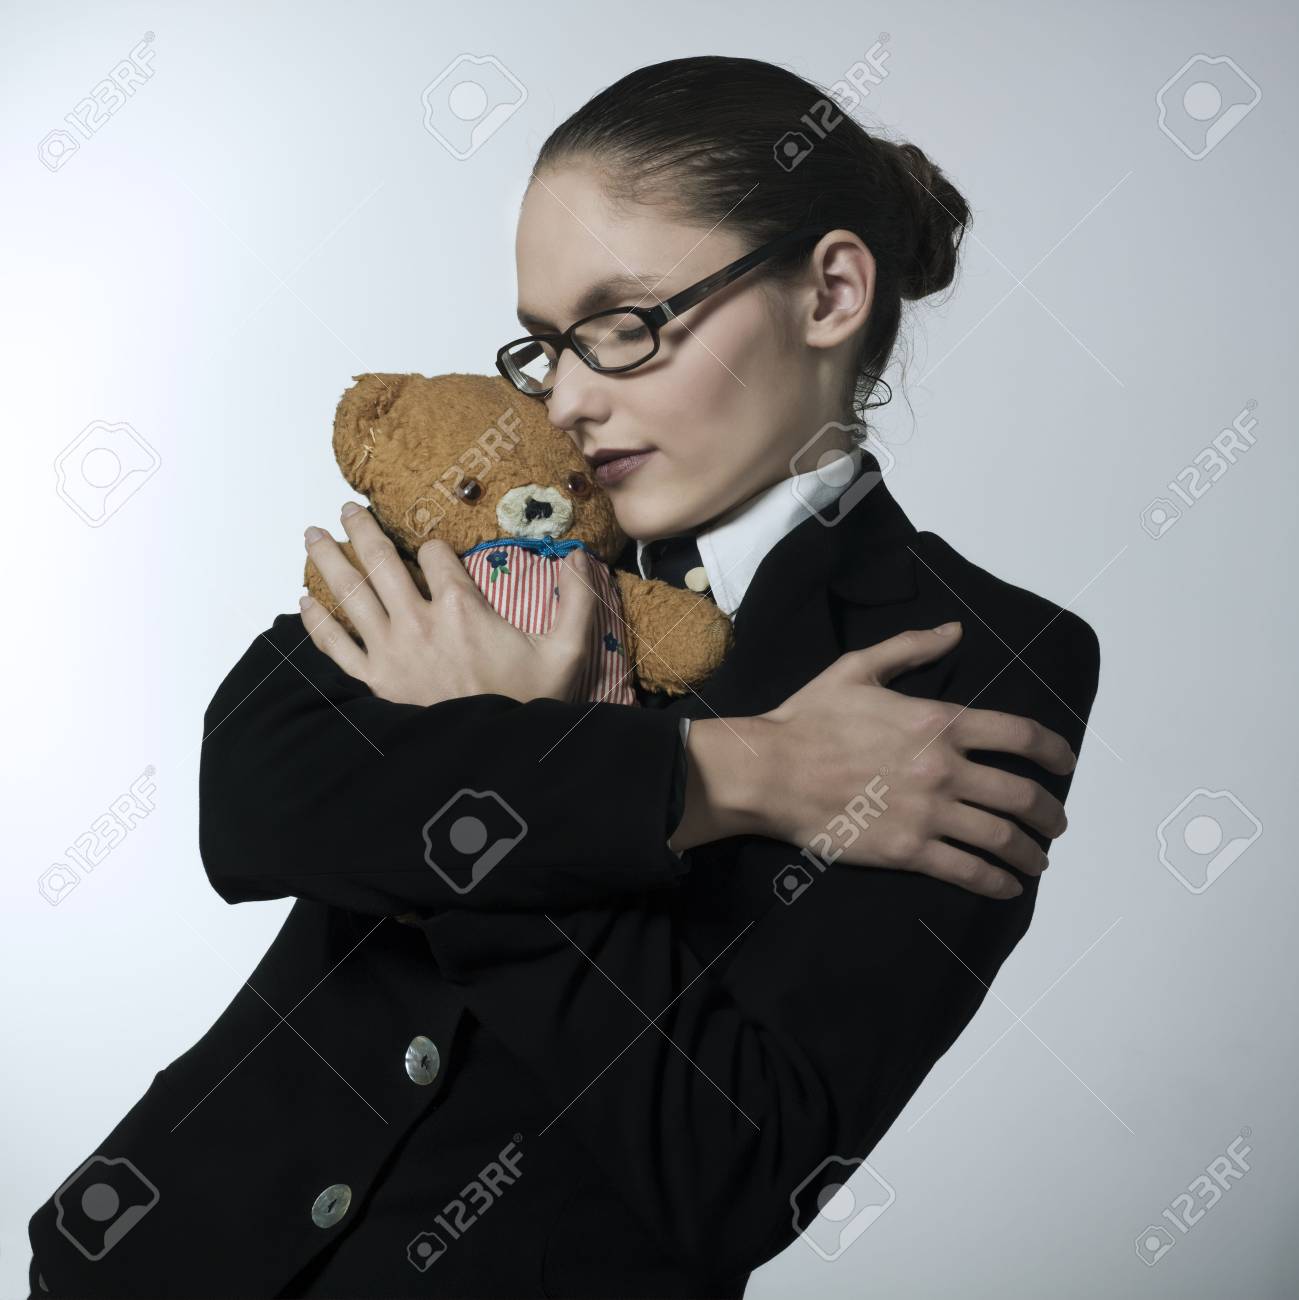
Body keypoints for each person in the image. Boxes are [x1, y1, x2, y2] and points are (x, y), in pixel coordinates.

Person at [26, 55, 1100, 1299]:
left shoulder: (980, 662)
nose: (570, 403)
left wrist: (508, 744)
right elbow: (255, 796)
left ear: (831, 292)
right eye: (546, 346)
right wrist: (733, 772)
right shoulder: (492, 489)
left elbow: (738, 1164)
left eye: (628, 327)